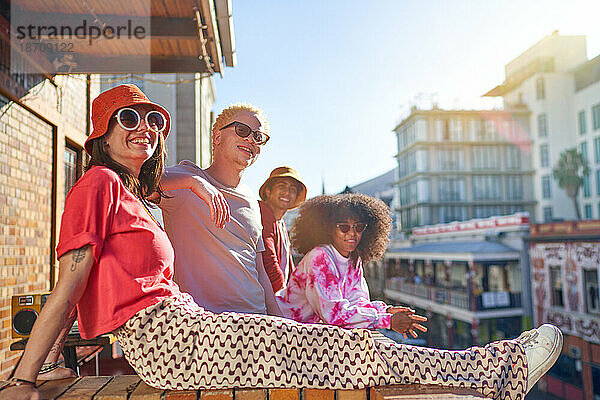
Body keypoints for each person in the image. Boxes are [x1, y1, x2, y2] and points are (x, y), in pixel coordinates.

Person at [0, 85, 562, 400]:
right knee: (342, 355)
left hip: (190, 329)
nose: (144, 127)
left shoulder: (133, 195)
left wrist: (46, 362)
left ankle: (490, 370)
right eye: (129, 117)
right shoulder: (100, 182)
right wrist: (26, 377)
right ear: (99, 129)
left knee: (341, 359)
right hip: (169, 337)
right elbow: (71, 279)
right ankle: (496, 369)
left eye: (154, 120)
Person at [155, 104, 282, 316]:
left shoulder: (252, 200)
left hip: (257, 325)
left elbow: (259, 269)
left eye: (259, 137)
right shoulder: (186, 182)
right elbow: (136, 182)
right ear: (217, 137)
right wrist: (195, 182)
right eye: (242, 130)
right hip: (210, 330)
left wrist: (280, 321)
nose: (251, 139)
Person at [276, 193, 427, 336]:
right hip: (284, 330)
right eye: (344, 227)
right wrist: (387, 321)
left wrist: (385, 310)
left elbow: (357, 302)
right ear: (328, 230)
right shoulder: (319, 257)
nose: (352, 234)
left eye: (359, 227)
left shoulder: (354, 258)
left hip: (307, 333)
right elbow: (333, 313)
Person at [258, 166, 306, 292]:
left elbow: (289, 267)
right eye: (281, 186)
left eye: (292, 189)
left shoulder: (281, 223)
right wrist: (282, 297)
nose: (287, 192)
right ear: (268, 191)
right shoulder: (262, 213)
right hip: (266, 297)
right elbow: (268, 259)